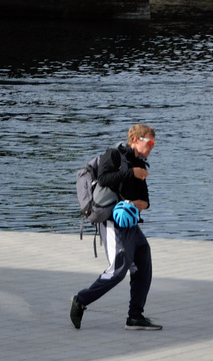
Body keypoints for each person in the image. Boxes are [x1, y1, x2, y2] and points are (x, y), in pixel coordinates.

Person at [70, 124, 162, 331]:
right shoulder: (113, 155)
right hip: (111, 221)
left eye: (154, 143)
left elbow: (145, 200)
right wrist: (132, 173)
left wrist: (140, 204)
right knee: (118, 271)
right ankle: (80, 300)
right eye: (150, 142)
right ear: (136, 140)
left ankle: (135, 317)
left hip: (130, 222)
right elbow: (104, 178)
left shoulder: (141, 166)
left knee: (143, 257)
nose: (152, 147)